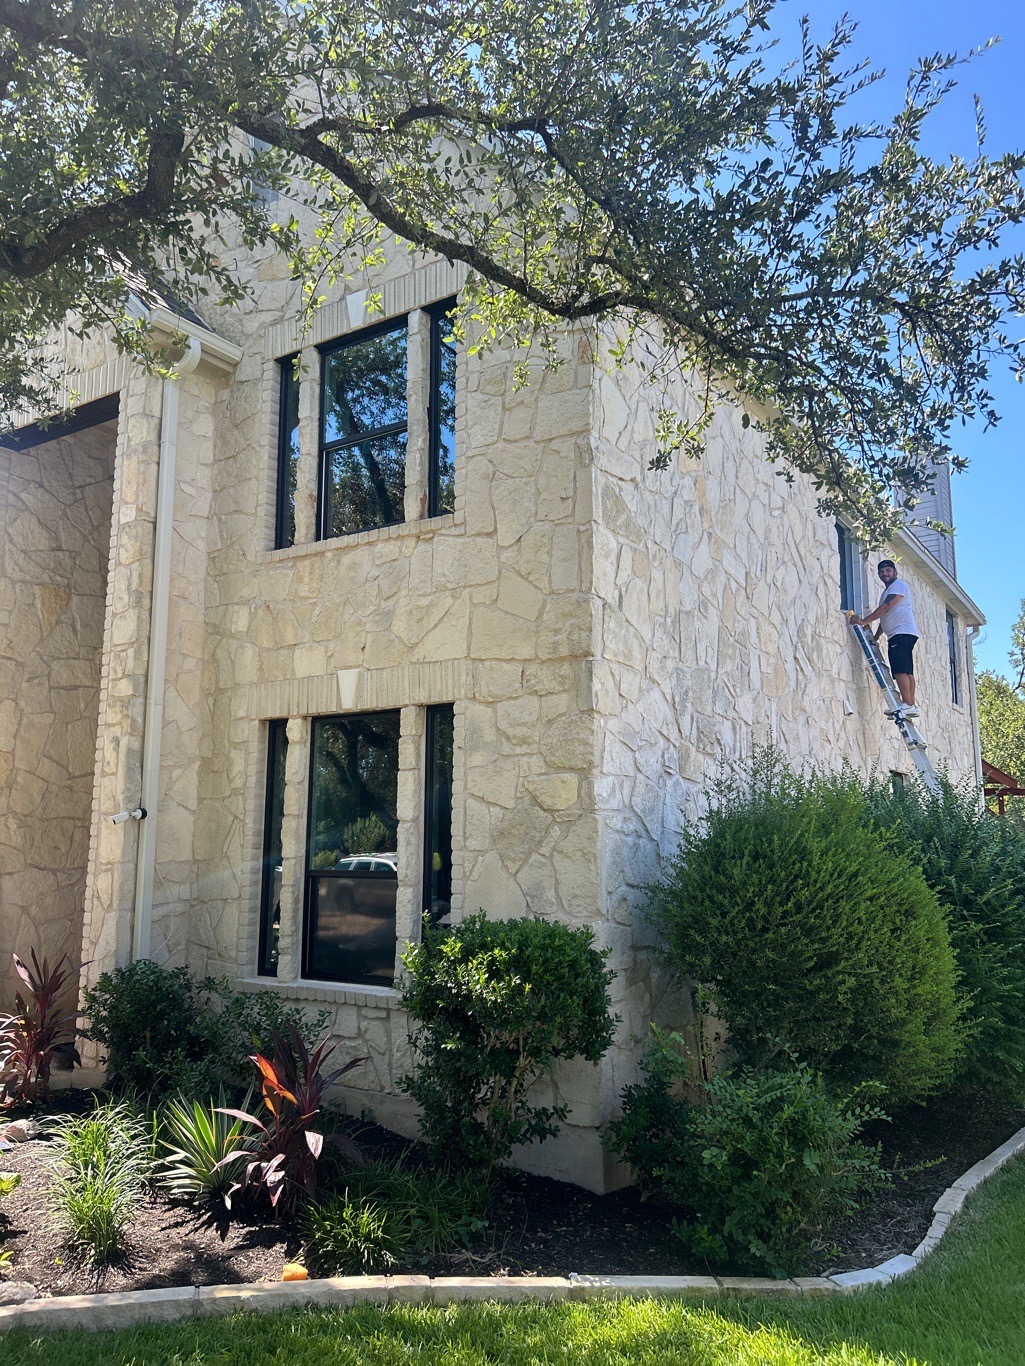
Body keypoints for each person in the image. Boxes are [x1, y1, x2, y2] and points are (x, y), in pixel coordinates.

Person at [851, 560, 920, 717]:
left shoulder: (898, 585)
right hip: (902, 633)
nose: (885, 574)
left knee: (901, 671)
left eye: (888, 570)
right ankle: (910, 704)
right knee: (906, 671)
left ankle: (907, 704)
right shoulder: (888, 592)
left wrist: (863, 621)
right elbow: (886, 616)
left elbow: (886, 608)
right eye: (881, 572)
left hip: (900, 633)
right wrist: (876, 636)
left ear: (895, 572)